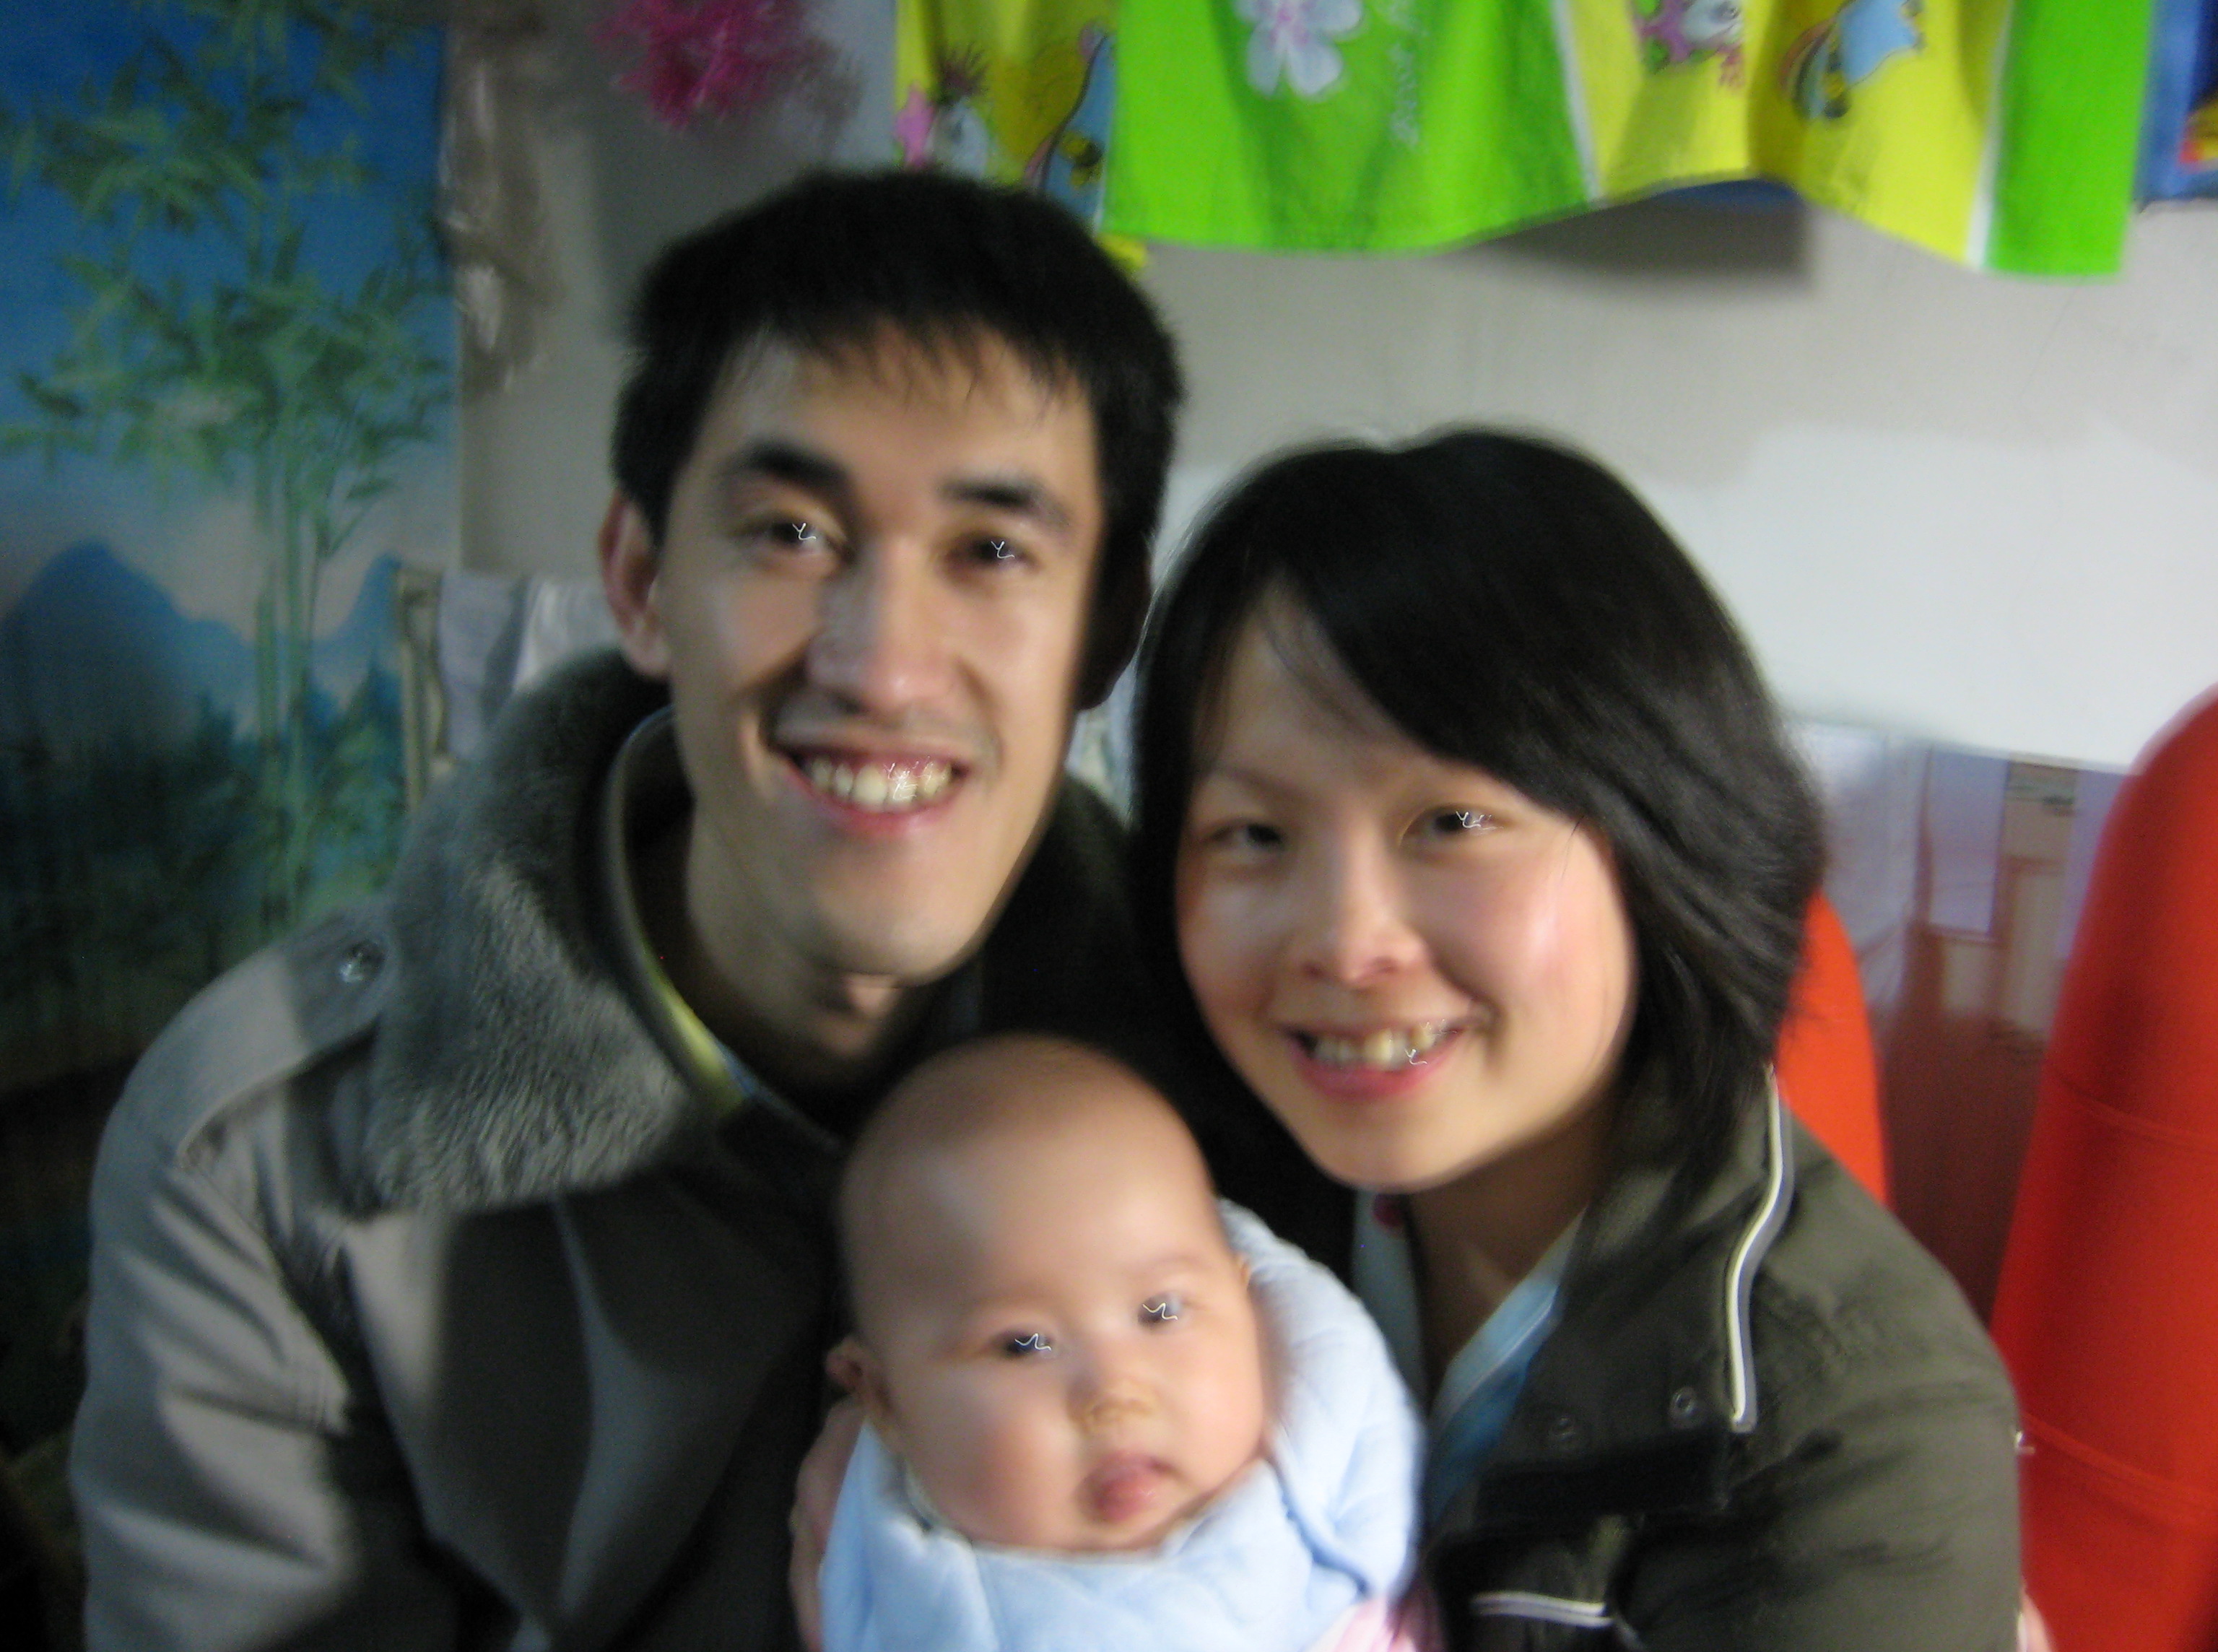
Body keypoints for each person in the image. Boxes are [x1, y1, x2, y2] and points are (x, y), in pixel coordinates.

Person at [69, 167, 1183, 1651]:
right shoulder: (269, 1158)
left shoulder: (1217, 1059)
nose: (883, 666)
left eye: (991, 550)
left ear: (1104, 630)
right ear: (643, 581)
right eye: (792, 533)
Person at [1128, 430, 2023, 1650]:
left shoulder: (1851, 1430)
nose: (1343, 941)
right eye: (1252, 833)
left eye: (1451, 821)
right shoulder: (1163, 1193)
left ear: (1657, 837)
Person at [819, 1032, 1422, 1652]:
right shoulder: (920, 1608)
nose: (1115, 1391)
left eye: (1161, 1312)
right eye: (1024, 1345)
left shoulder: (1334, 1478)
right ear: (885, 1401)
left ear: (1245, 1305)